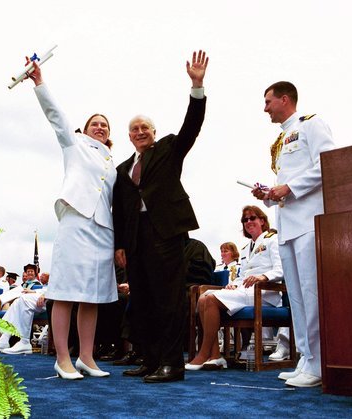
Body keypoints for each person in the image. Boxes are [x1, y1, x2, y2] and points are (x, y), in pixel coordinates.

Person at [112, 50, 209, 383]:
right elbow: (120, 211)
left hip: (166, 234)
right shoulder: (123, 169)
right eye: (134, 129)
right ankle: (150, 360)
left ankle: (171, 364)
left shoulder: (169, 148)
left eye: (145, 127)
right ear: (129, 136)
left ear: (154, 131)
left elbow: (192, 127)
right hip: (135, 241)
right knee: (142, 301)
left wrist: (197, 86)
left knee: (168, 301)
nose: (140, 131)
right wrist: (120, 245)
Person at [25, 59, 117, 380]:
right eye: (95, 123)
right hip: (76, 222)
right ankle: (63, 357)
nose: (101, 127)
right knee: (64, 292)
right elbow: (56, 116)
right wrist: (39, 82)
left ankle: (86, 358)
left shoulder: (112, 163)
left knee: (93, 296)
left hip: (103, 230)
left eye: (105, 125)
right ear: (85, 128)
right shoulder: (74, 144)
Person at [252, 81, 335, 387]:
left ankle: (321, 364)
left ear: (284, 99)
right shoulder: (281, 140)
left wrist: (289, 187)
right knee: (297, 299)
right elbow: (284, 183)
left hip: (308, 222)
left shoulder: (311, 125)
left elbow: (325, 165)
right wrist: (270, 194)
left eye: (268, 101)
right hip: (286, 225)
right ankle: (307, 359)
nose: (265, 108)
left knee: (312, 295)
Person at [185, 206, 283, 370]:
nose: (248, 222)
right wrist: (233, 284)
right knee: (204, 298)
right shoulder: (245, 249)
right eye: (245, 220)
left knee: (210, 299)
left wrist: (263, 277)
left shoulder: (272, 240)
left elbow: (280, 269)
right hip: (245, 291)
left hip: (263, 292)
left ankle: (203, 354)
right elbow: (241, 276)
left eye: (252, 218)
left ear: (262, 221)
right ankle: (215, 356)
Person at [0, 276, 49, 354]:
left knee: (24, 300)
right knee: (17, 301)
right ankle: (4, 338)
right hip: (48, 293)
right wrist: (35, 291)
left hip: (57, 297)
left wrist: (45, 294)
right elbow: (49, 287)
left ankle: (24, 341)